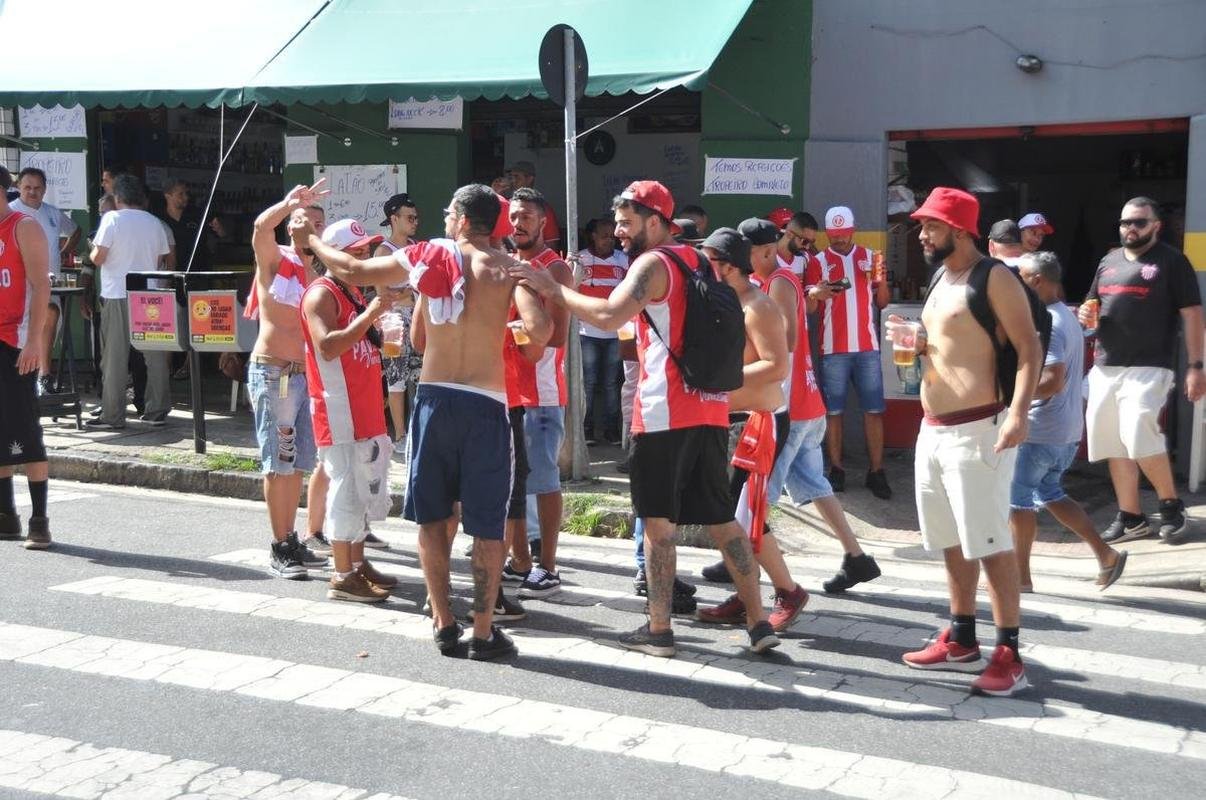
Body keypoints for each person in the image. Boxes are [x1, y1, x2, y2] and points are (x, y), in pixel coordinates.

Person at [511, 180, 779, 658]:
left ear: (655, 221)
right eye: (616, 221)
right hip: (711, 407)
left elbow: (611, 316)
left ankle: (658, 631)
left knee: (658, 524)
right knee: (721, 519)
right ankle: (758, 622)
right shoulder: (700, 261)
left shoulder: (653, 263)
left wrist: (554, 289)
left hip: (662, 414)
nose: (617, 231)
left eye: (627, 221)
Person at [307, 183, 551, 660]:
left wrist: (309, 240)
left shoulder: (427, 256)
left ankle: (442, 622)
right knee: (487, 526)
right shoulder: (507, 268)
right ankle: (482, 632)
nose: (442, 218)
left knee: (434, 518)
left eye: (447, 211)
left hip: (435, 402)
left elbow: (352, 269)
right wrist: (512, 312)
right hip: (486, 404)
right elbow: (541, 335)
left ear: (461, 218)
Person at [894, 187, 1041, 697]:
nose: (921, 234)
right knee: (950, 538)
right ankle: (961, 637)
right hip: (933, 429)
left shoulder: (994, 277)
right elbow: (951, 343)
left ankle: (1010, 653)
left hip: (979, 429)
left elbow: (1029, 347)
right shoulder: (942, 276)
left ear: (958, 230)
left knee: (990, 541)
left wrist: (1018, 412)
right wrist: (915, 340)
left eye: (930, 226)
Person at [702, 218, 881, 595]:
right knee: (813, 483)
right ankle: (856, 557)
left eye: (744, 251)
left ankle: (746, 577)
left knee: (754, 502)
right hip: (798, 404)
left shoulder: (779, 282)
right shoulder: (768, 283)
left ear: (764, 250)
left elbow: (788, 344)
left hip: (790, 407)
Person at [692, 227, 814, 632]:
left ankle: (788, 592)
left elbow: (776, 366)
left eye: (708, 260)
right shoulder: (722, 300)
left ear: (727, 266)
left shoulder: (758, 306)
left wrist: (717, 381)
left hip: (759, 424)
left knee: (747, 517)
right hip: (728, 421)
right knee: (724, 514)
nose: (701, 268)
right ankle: (748, 595)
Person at [1079, 197, 1204, 545]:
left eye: (1138, 222)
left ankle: (1170, 506)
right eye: (1124, 223)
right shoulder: (1108, 261)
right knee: (1112, 443)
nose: (1130, 229)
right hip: (1106, 365)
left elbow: (1192, 314)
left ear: (1155, 226)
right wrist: (1086, 317)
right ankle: (1132, 517)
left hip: (1150, 365)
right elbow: (1092, 307)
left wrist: (1197, 365)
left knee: (1137, 432)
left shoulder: (1172, 261)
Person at [1013, 252, 1127, 590]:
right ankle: (1106, 555)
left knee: (1015, 502)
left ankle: (1019, 579)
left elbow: (1052, 380)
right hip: (1064, 430)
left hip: (1040, 429)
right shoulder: (1064, 316)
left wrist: (1012, 397)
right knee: (1051, 492)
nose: (1016, 283)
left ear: (1036, 280)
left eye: (1021, 276)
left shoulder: (1051, 322)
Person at [301, 219, 399, 603]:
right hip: (338, 408)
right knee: (346, 490)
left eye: (364, 253)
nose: (363, 260)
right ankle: (343, 574)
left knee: (363, 486)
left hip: (362, 408)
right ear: (336, 257)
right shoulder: (321, 294)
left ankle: (357, 564)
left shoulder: (352, 293)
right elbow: (327, 346)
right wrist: (372, 315)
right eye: (356, 254)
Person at [246, 183, 330, 579]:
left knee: (298, 463)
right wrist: (288, 204)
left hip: (304, 376)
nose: (309, 226)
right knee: (278, 463)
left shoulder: (321, 271)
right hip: (274, 371)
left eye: (317, 223)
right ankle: (279, 546)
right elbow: (261, 229)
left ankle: (290, 536)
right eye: (303, 221)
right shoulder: (276, 258)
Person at [504, 188, 574, 598]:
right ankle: (519, 561)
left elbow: (559, 334)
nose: (519, 223)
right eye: (514, 216)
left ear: (543, 221)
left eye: (527, 216)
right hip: (509, 390)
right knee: (514, 482)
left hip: (544, 391)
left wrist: (522, 331)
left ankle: (548, 565)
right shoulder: (509, 264)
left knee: (544, 480)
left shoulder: (555, 269)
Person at [805, 206, 892, 498]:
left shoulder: (872, 257)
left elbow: (882, 302)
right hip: (832, 349)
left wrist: (880, 279)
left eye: (843, 235)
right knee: (834, 412)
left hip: (867, 347)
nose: (839, 240)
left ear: (852, 230)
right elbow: (811, 309)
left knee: (874, 411)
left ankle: (877, 471)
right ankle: (837, 469)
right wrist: (816, 294)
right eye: (834, 235)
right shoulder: (817, 261)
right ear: (827, 234)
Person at [85, 175, 172, 430]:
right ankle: (157, 410)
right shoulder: (155, 223)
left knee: (114, 357)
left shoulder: (111, 219)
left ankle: (112, 415)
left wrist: (91, 248)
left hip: (117, 293)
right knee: (154, 355)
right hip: (149, 294)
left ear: (118, 198)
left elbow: (99, 258)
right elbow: (160, 260)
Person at [0, 170, 53, 550]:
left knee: (26, 432)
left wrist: (34, 340)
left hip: (15, 341)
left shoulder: (23, 227)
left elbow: (41, 285)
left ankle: (39, 520)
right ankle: (6, 515)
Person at [10, 167, 80, 395]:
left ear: (45, 189)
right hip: (16, 287)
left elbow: (76, 231)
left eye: (37, 188)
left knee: (50, 315)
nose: (32, 192)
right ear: (18, 186)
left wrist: (64, 251)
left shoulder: (52, 213)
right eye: (27, 187)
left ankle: (44, 376)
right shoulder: (8, 212)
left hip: (49, 284)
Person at [374, 193, 421, 455]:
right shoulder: (383, 251)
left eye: (416, 217)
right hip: (392, 322)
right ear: (394, 219)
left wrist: (407, 292)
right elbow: (382, 294)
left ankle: (416, 430)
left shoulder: (415, 247)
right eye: (409, 217)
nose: (414, 222)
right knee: (396, 378)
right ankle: (400, 434)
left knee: (420, 375)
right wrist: (409, 291)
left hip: (414, 318)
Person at [577, 217, 628, 444]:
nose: (610, 240)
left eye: (612, 236)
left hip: (615, 334)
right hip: (586, 333)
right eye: (604, 235)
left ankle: (611, 430)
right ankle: (587, 431)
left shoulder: (623, 260)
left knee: (611, 384)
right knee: (588, 383)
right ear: (593, 236)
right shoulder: (579, 259)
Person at [157, 179, 221, 271]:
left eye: (186, 193)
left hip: (199, 272)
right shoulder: (159, 219)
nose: (186, 197)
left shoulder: (198, 215)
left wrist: (219, 228)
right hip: (172, 272)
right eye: (181, 194)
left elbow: (222, 234)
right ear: (167, 195)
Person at [507, 161, 559, 248]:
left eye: (517, 177)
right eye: (511, 177)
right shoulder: (507, 204)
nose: (513, 181)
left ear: (529, 179)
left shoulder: (543, 208)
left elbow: (552, 245)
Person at [774, 211, 819, 278]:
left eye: (812, 242)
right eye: (805, 241)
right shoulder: (768, 258)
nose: (807, 247)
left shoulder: (806, 258)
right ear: (789, 234)